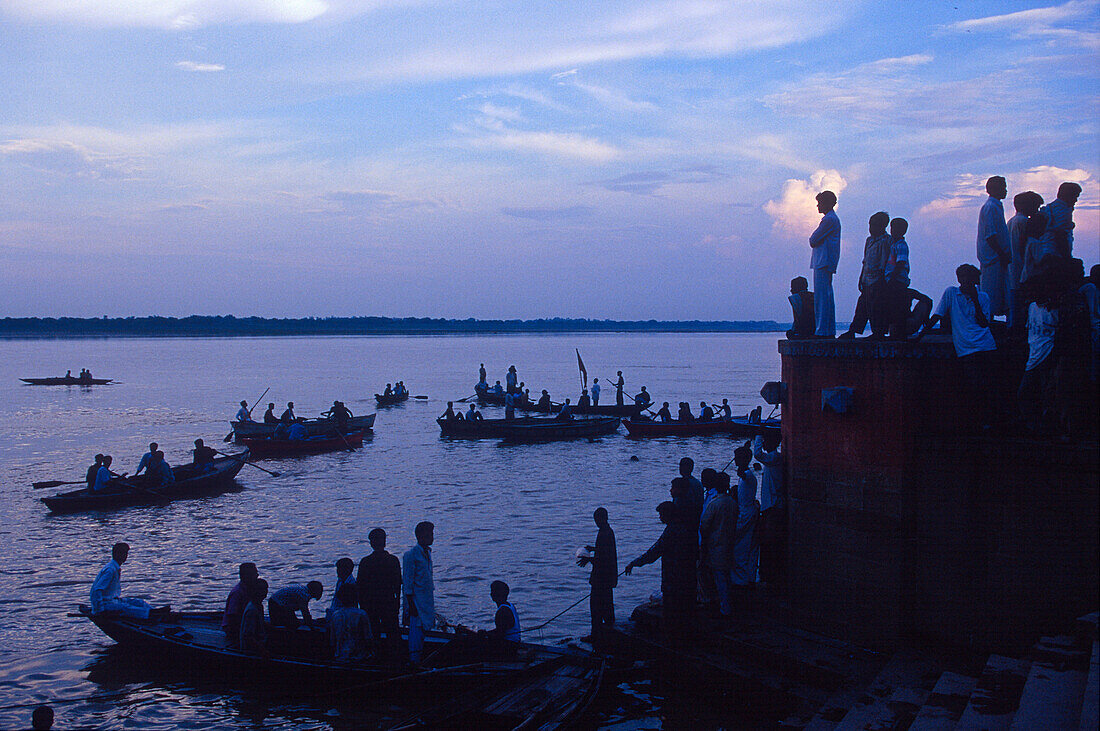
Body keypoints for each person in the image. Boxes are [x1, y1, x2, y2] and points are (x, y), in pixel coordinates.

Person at [918, 264, 997, 426]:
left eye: (970, 278)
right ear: (959, 279)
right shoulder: (951, 293)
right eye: (964, 278)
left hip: (986, 345)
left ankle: (989, 421)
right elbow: (937, 316)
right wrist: (919, 336)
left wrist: (975, 300)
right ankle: (979, 421)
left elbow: (984, 324)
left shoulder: (983, 297)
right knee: (974, 385)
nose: (967, 281)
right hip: (966, 348)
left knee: (989, 385)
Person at [624, 502, 698, 639]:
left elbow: (653, 553)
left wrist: (633, 563)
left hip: (673, 578)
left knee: (672, 611)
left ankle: (674, 638)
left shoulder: (671, 532)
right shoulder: (684, 529)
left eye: (661, 514)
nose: (659, 517)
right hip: (686, 576)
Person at [839, 211, 891, 339]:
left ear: (882, 226)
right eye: (870, 225)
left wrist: (881, 280)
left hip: (877, 280)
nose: (871, 228)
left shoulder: (885, 241)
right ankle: (853, 330)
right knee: (862, 305)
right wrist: (861, 278)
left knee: (876, 307)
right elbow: (865, 261)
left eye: (874, 225)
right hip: (867, 279)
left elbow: (884, 263)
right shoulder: (869, 241)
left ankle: (878, 332)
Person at [1018, 279, 1058, 432]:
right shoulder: (1032, 307)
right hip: (1033, 356)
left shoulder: (1053, 309)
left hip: (1047, 354)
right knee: (1025, 393)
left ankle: (1045, 426)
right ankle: (1034, 425)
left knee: (1046, 393)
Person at [358, 528, 402, 656]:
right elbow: (398, 585)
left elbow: (360, 587)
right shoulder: (392, 560)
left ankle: (377, 657)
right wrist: (397, 603)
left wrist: (363, 606)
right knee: (392, 633)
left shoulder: (366, 562)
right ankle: (394, 657)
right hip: (385, 602)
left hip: (373, 604)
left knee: (376, 634)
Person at [699, 470, 737, 619]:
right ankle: (724, 605)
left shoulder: (715, 503)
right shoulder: (732, 502)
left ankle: (724, 608)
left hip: (715, 545)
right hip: (728, 543)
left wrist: (704, 543)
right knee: (725, 576)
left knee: (719, 577)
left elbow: (704, 525)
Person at [577, 507, 617, 641]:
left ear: (601, 519)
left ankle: (596, 635)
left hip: (601, 578)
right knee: (607, 605)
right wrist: (593, 549)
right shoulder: (607, 531)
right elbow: (605, 552)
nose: (596, 522)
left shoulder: (604, 533)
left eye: (596, 520)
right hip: (608, 578)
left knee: (596, 607)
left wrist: (589, 559)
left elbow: (604, 558)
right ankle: (608, 631)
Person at [753, 433, 786, 586]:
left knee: (770, 541)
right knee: (768, 540)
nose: (764, 445)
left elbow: (757, 454)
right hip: (771, 506)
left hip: (773, 506)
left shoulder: (774, 458)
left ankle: (771, 576)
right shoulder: (773, 460)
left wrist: (759, 436)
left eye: (766, 442)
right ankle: (768, 574)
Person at [977, 176, 1011, 317]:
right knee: (991, 293)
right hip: (993, 258)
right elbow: (990, 235)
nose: (1006, 191)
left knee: (998, 292)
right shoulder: (990, 207)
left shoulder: (995, 206)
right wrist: (1001, 254)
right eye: (1003, 187)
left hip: (997, 257)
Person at [90, 542, 153, 619]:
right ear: (116, 554)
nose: (125, 556)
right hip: (106, 604)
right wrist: (100, 610)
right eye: (123, 553)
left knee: (140, 602)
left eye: (125, 553)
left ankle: (155, 612)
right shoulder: (110, 570)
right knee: (127, 608)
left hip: (113, 600)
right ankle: (151, 615)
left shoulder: (114, 568)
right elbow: (97, 590)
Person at [808, 190, 841, 337]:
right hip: (825, 261)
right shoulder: (831, 219)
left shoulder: (829, 220)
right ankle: (826, 329)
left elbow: (813, 240)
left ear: (827, 203)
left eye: (820, 203)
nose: (817, 206)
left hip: (823, 261)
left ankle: (822, 330)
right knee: (825, 296)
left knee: (822, 297)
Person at [1008, 192, 1042, 329]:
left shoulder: (1011, 221)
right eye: (1035, 206)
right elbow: (1024, 247)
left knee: (1014, 303)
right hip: (1021, 267)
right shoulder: (1023, 222)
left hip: (1012, 268)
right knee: (1021, 305)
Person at [403, 521, 435, 663]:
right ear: (421, 536)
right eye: (429, 534)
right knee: (415, 632)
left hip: (426, 600)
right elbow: (408, 583)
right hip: (416, 601)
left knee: (424, 630)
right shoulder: (411, 555)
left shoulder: (427, 553)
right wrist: (411, 605)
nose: (432, 536)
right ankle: (414, 661)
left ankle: (420, 658)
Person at [731, 443, 760, 587]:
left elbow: (742, 473)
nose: (735, 461)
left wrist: (743, 455)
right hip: (747, 512)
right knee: (746, 545)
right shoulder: (747, 475)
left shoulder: (747, 475)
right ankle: (748, 577)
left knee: (740, 547)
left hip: (746, 513)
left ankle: (741, 579)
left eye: (737, 458)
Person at [881, 217, 911, 339]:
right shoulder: (892, 244)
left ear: (903, 231)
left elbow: (901, 263)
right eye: (893, 228)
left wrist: (893, 278)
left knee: (897, 306)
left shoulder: (901, 245)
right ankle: (894, 331)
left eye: (897, 229)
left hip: (897, 281)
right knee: (891, 306)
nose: (894, 231)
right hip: (892, 280)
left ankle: (898, 332)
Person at [328, 582, 372, 661]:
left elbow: (332, 641)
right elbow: (368, 638)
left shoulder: (335, 615)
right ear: (356, 597)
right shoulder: (362, 614)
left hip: (340, 656)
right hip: (359, 657)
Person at [1040, 182, 1081, 260]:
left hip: (1049, 252)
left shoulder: (1053, 207)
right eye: (1075, 196)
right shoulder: (1062, 209)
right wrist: (1067, 258)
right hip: (1055, 254)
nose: (1076, 200)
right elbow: (1061, 234)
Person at [222, 562, 259, 644]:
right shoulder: (237, 592)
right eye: (254, 573)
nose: (257, 576)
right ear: (244, 576)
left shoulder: (251, 589)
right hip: (234, 627)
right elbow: (232, 616)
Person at [239, 579, 269, 657]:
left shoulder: (259, 606)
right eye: (261, 589)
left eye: (265, 589)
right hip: (251, 650)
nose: (264, 592)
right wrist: (263, 650)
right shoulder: (252, 610)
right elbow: (248, 636)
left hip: (260, 642)